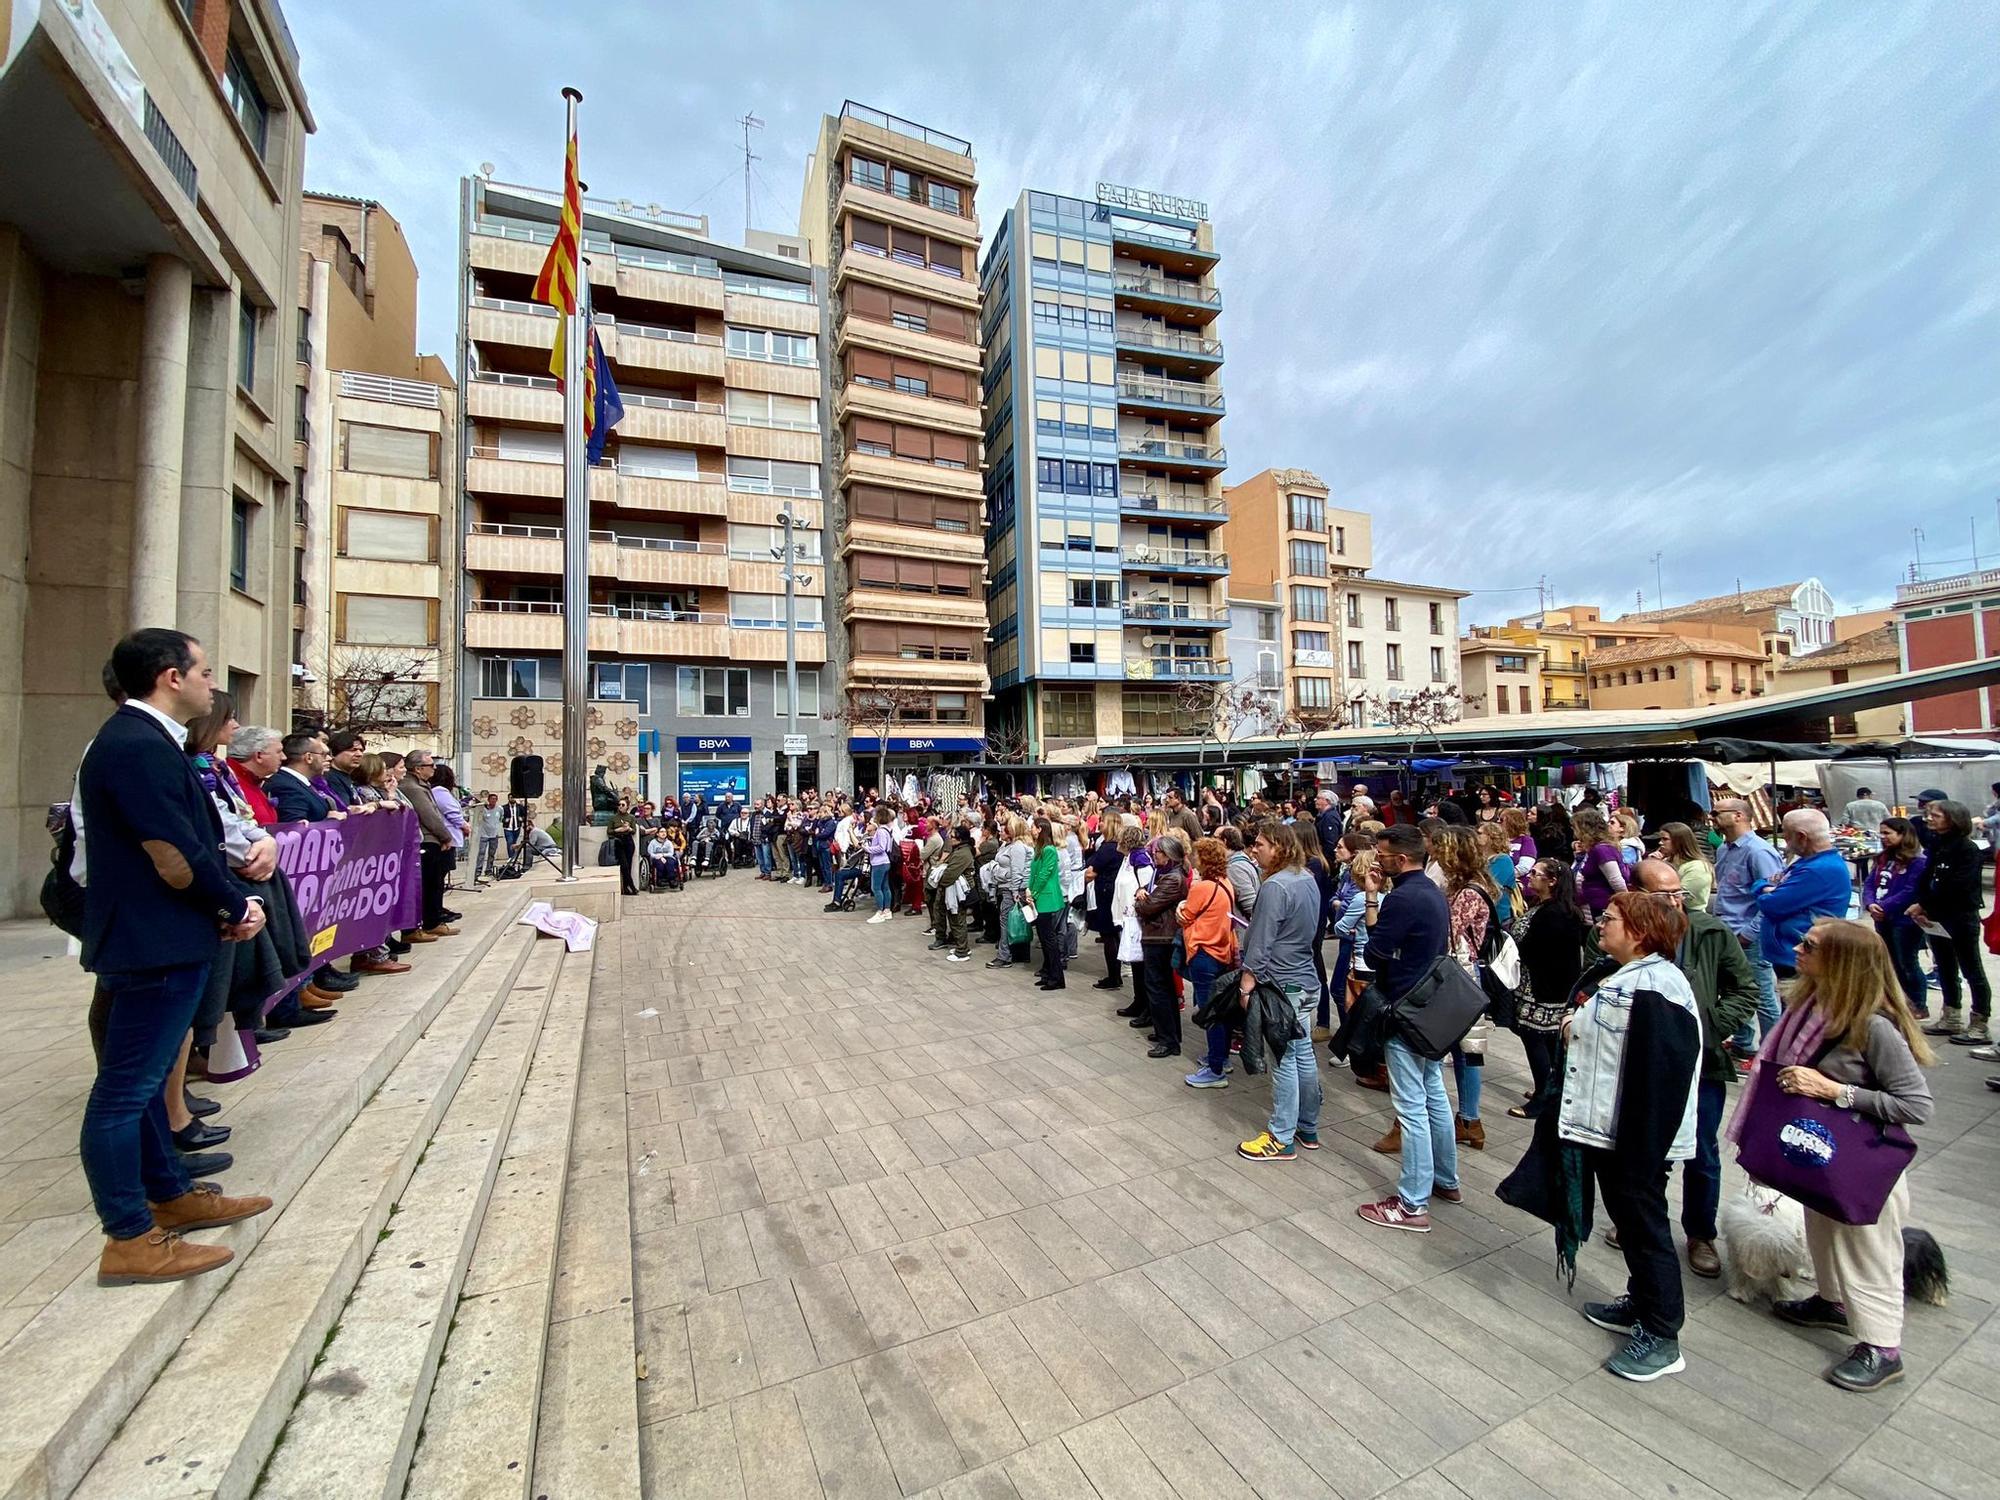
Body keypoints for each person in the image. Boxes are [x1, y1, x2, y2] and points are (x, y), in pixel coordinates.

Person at [77, 629, 273, 1285]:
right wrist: (234, 905)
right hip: (151, 940)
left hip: (163, 937)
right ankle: (129, 1236)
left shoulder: (148, 743)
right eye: (205, 672)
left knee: (150, 1079)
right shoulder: (136, 747)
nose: (212, 686)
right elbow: (172, 855)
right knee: (125, 1092)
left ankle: (171, 1195)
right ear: (170, 676)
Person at [1738, 920, 1934, 1391]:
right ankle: (1832, 1301)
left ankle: (1883, 1348)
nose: (1797, 949)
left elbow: (1916, 1105)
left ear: (1842, 961)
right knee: (1822, 1232)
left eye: (1811, 946)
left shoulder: (1874, 1025)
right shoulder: (1810, 1005)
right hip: (1819, 1152)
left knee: (1869, 1251)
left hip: (1859, 1163)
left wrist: (1836, 1091)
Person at [1559, 891, 1700, 1381]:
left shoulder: (1657, 989)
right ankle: (1642, 1303)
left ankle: (1662, 1333)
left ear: (1639, 933)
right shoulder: (1626, 978)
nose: (1601, 924)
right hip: (1611, 1131)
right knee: (1633, 1223)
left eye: (1611, 919)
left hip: (1637, 1140)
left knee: (1645, 1228)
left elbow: (1661, 1075)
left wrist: (1643, 1152)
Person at [1631, 860, 1758, 1279]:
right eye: (1663, 895)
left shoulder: (1710, 932)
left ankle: (1701, 1232)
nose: (1674, 902)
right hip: (1649, 1060)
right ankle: (1642, 1220)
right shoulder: (1631, 934)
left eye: (1678, 894)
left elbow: (1746, 988)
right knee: (1648, 1145)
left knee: (1702, 1152)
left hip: (1702, 1064)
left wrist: (1711, 1028)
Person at [1356, 823, 1457, 1231]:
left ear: (1400, 859)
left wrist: (1372, 899)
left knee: (1412, 1105)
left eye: (1381, 855)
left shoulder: (1404, 898)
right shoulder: (1433, 892)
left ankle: (1413, 1203)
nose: (1376, 861)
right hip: (1429, 1005)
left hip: (1404, 1006)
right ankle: (1445, 1179)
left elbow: (1376, 952)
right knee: (1433, 1093)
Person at [1234, 824, 1324, 1157]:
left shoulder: (1276, 885)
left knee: (1285, 1058)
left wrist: (1247, 981)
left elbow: (1260, 939)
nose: (1254, 849)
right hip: (1304, 977)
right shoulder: (1306, 878)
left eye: (1260, 844)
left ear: (1279, 847)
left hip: (1283, 982)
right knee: (1302, 1055)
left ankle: (1281, 1135)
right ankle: (1307, 1126)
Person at [1909, 798, 1992, 1047]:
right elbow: (1925, 879)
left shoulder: (1968, 850)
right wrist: (1922, 904)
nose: (1929, 819)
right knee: (1944, 966)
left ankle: (1979, 1023)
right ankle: (1951, 1016)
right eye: (1929, 815)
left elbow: (1958, 886)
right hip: (1935, 917)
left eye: (1936, 815)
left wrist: (1926, 905)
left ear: (1953, 819)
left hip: (1961, 916)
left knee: (1971, 968)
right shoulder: (1936, 845)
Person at [1512, 858, 1589, 1120]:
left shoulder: (1556, 913)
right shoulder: (1549, 908)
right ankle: (1546, 1087)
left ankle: (1544, 1096)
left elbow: (1537, 947)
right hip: (1540, 984)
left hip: (1546, 989)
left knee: (1535, 1038)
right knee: (1543, 1040)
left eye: (1535, 874)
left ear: (1552, 881)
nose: (1529, 877)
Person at [1712, 797, 1785, 1060]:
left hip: (1749, 936)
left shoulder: (1759, 852)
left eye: (1718, 813)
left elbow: (1772, 900)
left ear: (1739, 816)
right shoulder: (1724, 849)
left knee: (1762, 994)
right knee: (1734, 989)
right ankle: (1744, 1041)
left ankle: (1771, 1052)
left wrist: (1749, 933)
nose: (1713, 817)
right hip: (1728, 932)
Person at [1755, 808, 1854, 979]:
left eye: (1786, 836)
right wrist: (1768, 887)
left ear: (1801, 836)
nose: (1786, 842)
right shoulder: (1810, 863)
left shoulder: (1818, 869)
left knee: (1799, 1003)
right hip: (1795, 954)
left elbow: (1771, 905)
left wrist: (1761, 887)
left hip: (1801, 957)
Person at [1182, 836, 1241, 1089]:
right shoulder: (1226, 883)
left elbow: (1185, 916)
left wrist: (1181, 908)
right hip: (1222, 951)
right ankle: (1220, 1057)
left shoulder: (1202, 887)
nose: (1193, 858)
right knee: (1220, 1009)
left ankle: (1215, 1068)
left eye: (1197, 855)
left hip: (1204, 952)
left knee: (1210, 1012)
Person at [1864, 816, 1930, 1020]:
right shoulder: (1882, 859)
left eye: (1887, 833)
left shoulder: (1918, 861)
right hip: (1882, 919)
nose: (1883, 837)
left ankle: (1918, 1003)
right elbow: (1869, 884)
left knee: (1907, 962)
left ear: (1902, 834)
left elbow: (1911, 891)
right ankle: (1896, 1001)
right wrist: (1870, 903)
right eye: (1881, 833)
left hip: (1905, 920)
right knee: (1889, 962)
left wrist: (1883, 906)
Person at [1133, 835, 1189, 1048]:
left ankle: (1168, 1039)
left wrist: (1141, 901)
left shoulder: (1172, 879)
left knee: (1158, 988)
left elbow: (1148, 906)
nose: (1153, 855)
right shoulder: (1169, 876)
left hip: (1161, 938)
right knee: (1162, 987)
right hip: (1159, 935)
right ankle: (1167, 1033)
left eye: (1156, 852)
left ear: (1167, 855)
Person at [400, 750, 456, 940]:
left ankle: (432, 921)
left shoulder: (421, 785)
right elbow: (429, 816)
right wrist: (446, 836)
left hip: (431, 839)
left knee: (435, 883)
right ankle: (423, 924)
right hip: (426, 840)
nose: (434, 768)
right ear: (418, 769)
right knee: (428, 884)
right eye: (430, 765)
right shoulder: (413, 788)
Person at [1083, 816, 1127, 989]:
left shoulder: (1108, 848)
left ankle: (1114, 976)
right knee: (1113, 934)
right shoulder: (1119, 847)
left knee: (1109, 935)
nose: (1099, 824)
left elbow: (1091, 865)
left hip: (1106, 893)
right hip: (1113, 892)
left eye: (1103, 821)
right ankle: (1115, 974)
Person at [1028, 819, 1067, 991]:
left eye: (1033, 828)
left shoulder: (1049, 850)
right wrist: (1029, 891)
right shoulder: (1039, 849)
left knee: (1049, 939)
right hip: (1038, 897)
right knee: (1044, 939)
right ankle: (1048, 972)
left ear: (1040, 829)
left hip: (1047, 898)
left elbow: (1044, 874)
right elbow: (1034, 874)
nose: (1031, 830)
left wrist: (1034, 892)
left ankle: (1057, 977)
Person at [1571, 808, 1627, 916]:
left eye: (1575, 828)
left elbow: (1616, 880)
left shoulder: (1602, 850)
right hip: (1592, 906)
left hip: (1603, 907)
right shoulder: (1592, 849)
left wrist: (1626, 903)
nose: (1574, 832)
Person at [1653, 821, 1714, 913]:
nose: (1660, 843)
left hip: (1690, 915)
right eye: (1661, 839)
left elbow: (1682, 896)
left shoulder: (1698, 867)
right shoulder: (1665, 862)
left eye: (1665, 839)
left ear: (1679, 841)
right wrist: (1651, 865)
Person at [937, 826, 977, 961]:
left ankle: (962, 951)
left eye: (953, 836)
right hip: (955, 890)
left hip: (960, 892)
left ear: (960, 838)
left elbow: (950, 873)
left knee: (958, 919)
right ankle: (961, 946)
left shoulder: (962, 853)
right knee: (955, 919)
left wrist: (939, 879)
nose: (950, 838)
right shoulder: (960, 850)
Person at [1477, 821, 1519, 927]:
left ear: (1491, 837)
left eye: (1480, 833)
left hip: (1496, 917)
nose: (1475, 836)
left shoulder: (1503, 860)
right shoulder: (1479, 859)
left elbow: (1490, 886)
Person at [864, 805, 897, 923]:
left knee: (876, 887)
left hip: (879, 863)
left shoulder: (881, 831)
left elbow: (882, 847)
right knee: (885, 886)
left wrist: (868, 849)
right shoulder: (887, 831)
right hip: (885, 862)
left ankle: (880, 911)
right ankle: (887, 910)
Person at [607, 798, 638, 896]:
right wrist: (618, 830)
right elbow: (609, 831)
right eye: (619, 804)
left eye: (623, 805)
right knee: (623, 865)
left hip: (628, 841)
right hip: (618, 841)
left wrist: (628, 828)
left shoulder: (631, 817)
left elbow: (634, 831)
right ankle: (632, 886)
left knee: (628, 865)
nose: (620, 806)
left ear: (627, 806)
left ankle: (625, 888)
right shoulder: (614, 818)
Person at [474, 792, 504, 882]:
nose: (493, 801)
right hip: (484, 834)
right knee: (481, 853)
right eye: (492, 799)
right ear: (489, 800)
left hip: (494, 835)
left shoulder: (499, 809)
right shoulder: (484, 809)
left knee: (492, 853)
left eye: (495, 799)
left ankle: (489, 870)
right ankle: (478, 871)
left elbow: (500, 819)